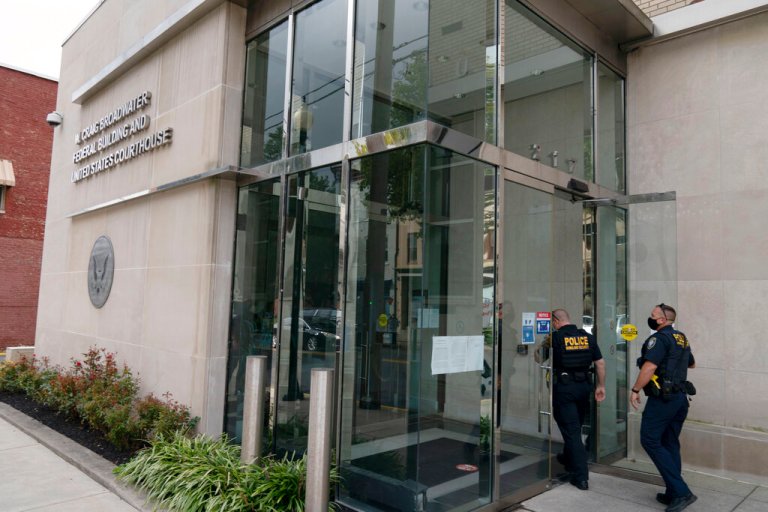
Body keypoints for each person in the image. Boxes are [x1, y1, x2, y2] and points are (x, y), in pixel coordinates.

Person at [630, 303, 697, 512]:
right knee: (669, 442)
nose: (650, 318)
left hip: (663, 400)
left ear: (661, 320)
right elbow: (692, 364)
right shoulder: (681, 337)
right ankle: (672, 492)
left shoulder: (657, 339)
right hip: (679, 399)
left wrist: (635, 390)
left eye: (653, 315)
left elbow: (649, 367)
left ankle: (682, 491)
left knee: (649, 439)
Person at [548, 308, 606, 490]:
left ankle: (580, 476)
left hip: (564, 389)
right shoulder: (586, 336)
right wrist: (601, 385)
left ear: (556, 321)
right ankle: (568, 458)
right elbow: (600, 363)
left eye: (552, 322)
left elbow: (539, 357)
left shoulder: (555, 338)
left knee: (572, 430)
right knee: (575, 425)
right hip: (583, 387)